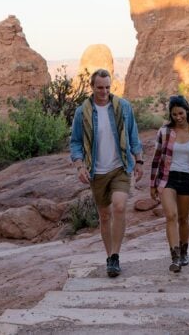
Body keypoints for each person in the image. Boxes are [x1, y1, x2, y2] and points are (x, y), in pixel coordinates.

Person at [70, 68, 144, 278]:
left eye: (107, 87)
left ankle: (115, 256)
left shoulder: (123, 107)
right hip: (97, 171)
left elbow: (133, 136)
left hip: (119, 166)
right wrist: (79, 165)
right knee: (104, 215)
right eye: (99, 87)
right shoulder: (82, 112)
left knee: (119, 206)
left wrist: (139, 160)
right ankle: (108, 255)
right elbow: (75, 142)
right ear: (92, 87)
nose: (104, 91)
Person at [150, 95, 189, 272]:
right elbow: (157, 158)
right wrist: (153, 184)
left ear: (187, 111)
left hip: (187, 178)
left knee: (183, 218)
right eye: (174, 114)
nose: (178, 117)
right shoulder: (165, 131)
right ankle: (175, 257)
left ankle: (184, 252)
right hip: (168, 178)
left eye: (181, 113)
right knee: (171, 216)